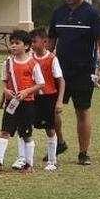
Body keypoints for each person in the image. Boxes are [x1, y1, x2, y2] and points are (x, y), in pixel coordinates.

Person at [47, 0, 100, 166]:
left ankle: (83, 153)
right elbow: (51, 43)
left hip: (84, 70)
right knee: (52, 109)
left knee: (82, 111)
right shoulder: (58, 13)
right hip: (60, 70)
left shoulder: (92, 14)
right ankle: (60, 142)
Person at [0, 30, 45, 174]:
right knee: (5, 131)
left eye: (17, 43)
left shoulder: (33, 64)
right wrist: (4, 94)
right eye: (12, 43)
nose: (13, 46)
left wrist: (26, 91)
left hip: (27, 103)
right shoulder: (7, 63)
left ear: (26, 46)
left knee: (26, 134)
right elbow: (5, 82)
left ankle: (29, 164)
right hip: (11, 103)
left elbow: (40, 84)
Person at [31, 28, 66, 172]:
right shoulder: (29, 58)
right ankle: (25, 159)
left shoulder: (52, 58)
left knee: (50, 129)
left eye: (34, 41)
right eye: (30, 41)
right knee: (26, 127)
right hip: (32, 96)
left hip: (48, 97)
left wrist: (59, 101)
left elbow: (61, 81)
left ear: (44, 42)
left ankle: (52, 160)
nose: (32, 44)